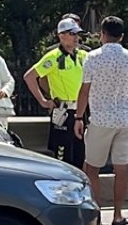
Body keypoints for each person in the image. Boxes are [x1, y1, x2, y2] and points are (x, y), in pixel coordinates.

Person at [74, 17, 128, 225]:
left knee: (92, 167)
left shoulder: (92, 58)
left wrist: (79, 117)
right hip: (125, 119)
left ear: (102, 34)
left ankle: (96, 214)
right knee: (122, 167)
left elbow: (84, 90)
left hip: (101, 119)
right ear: (121, 36)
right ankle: (118, 213)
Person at [23, 18, 89, 169]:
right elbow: (30, 76)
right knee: (63, 155)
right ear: (61, 35)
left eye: (77, 34)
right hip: (63, 111)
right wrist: (43, 101)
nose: (76, 38)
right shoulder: (53, 57)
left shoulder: (83, 56)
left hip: (81, 110)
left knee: (80, 154)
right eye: (72, 34)